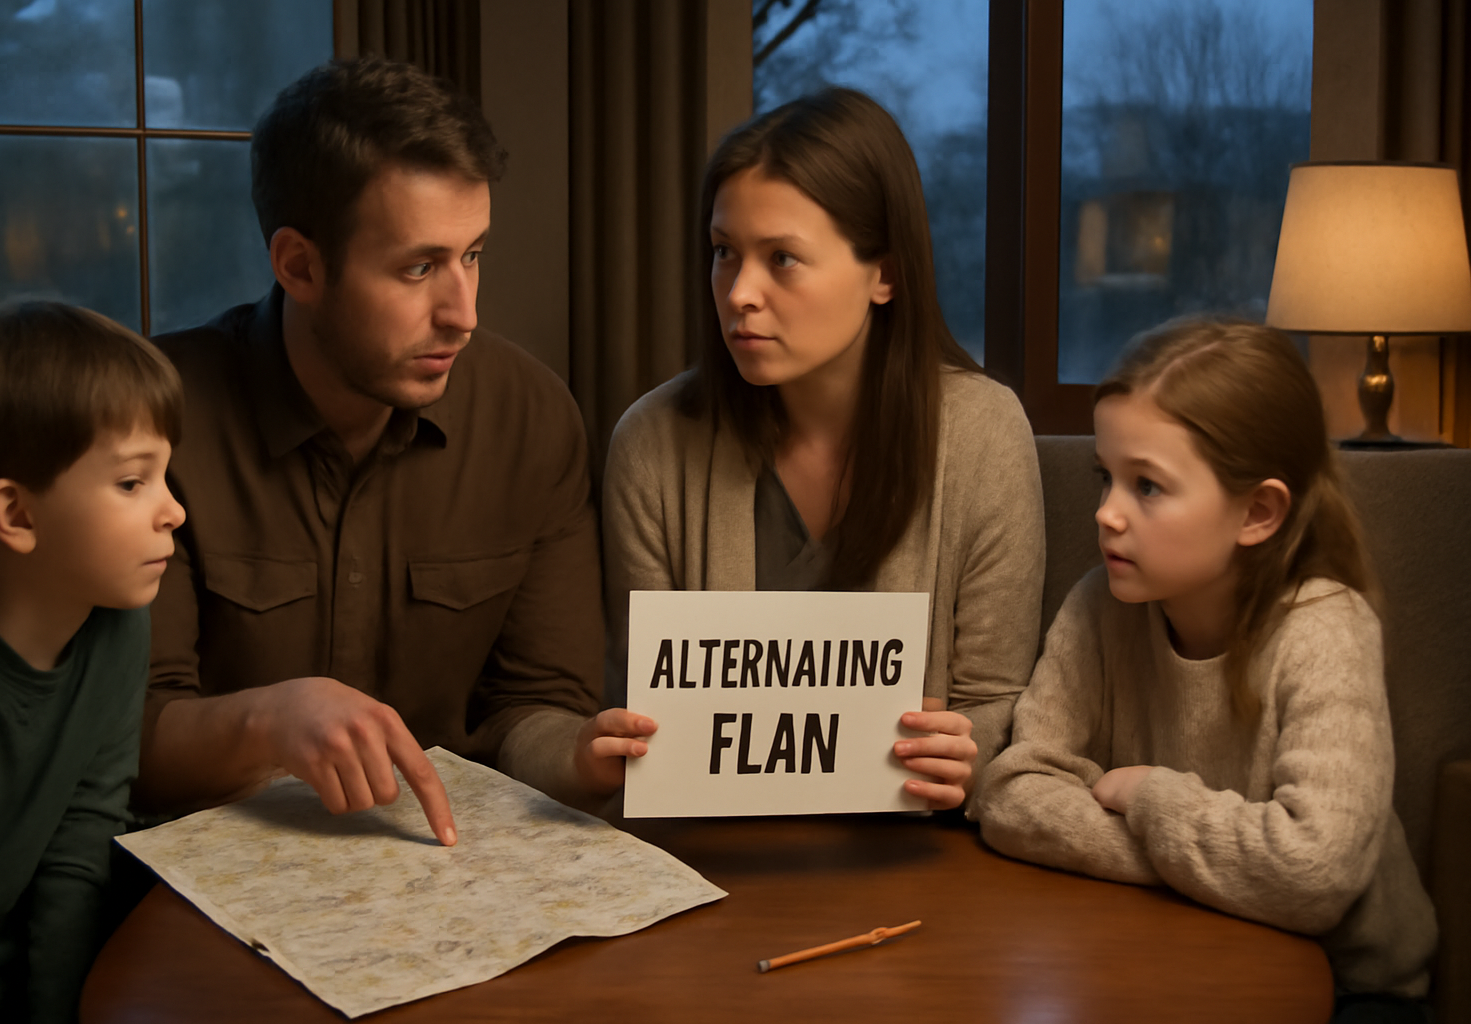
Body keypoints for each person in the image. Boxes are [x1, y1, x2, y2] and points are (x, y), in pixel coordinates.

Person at [137, 58, 649, 844]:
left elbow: (532, 704)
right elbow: (126, 738)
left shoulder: (531, 417)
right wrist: (272, 720)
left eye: (472, 255)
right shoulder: (157, 419)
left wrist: (578, 757)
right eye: (419, 268)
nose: (463, 313)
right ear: (300, 265)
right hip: (207, 882)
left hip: (445, 866)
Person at [602, 88, 1046, 810]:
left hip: (920, 859)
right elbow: (647, 705)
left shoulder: (985, 433)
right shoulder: (650, 442)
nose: (739, 292)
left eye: (782, 258)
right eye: (723, 253)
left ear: (886, 273)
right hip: (708, 855)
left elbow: (998, 703)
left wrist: (961, 753)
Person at [973, 318, 1437, 1004]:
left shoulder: (1326, 630)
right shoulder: (1101, 603)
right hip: (1161, 950)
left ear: (1258, 511)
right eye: (1107, 477)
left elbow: (1314, 875)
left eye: (1148, 486)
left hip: (1348, 990)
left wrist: (1150, 796)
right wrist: (1213, 865)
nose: (1106, 513)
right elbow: (1011, 797)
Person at [0, 303, 186, 1023]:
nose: (173, 511)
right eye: (133, 482)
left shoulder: (118, 627)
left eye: (166, 477)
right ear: (16, 515)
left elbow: (79, 850)